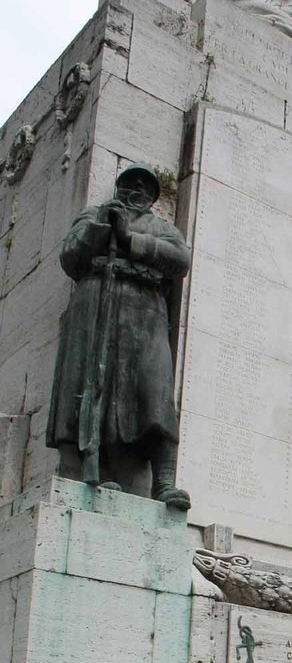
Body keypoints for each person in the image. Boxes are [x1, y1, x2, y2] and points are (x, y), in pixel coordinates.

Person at [47, 162, 191, 509]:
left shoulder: (162, 228)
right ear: (118, 188)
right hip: (97, 302)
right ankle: (94, 470)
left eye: (145, 187)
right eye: (130, 184)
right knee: (96, 388)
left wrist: (129, 239)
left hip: (146, 308)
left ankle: (165, 484)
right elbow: (69, 256)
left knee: (155, 392)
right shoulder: (94, 214)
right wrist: (101, 228)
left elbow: (180, 261)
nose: (136, 191)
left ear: (153, 196)